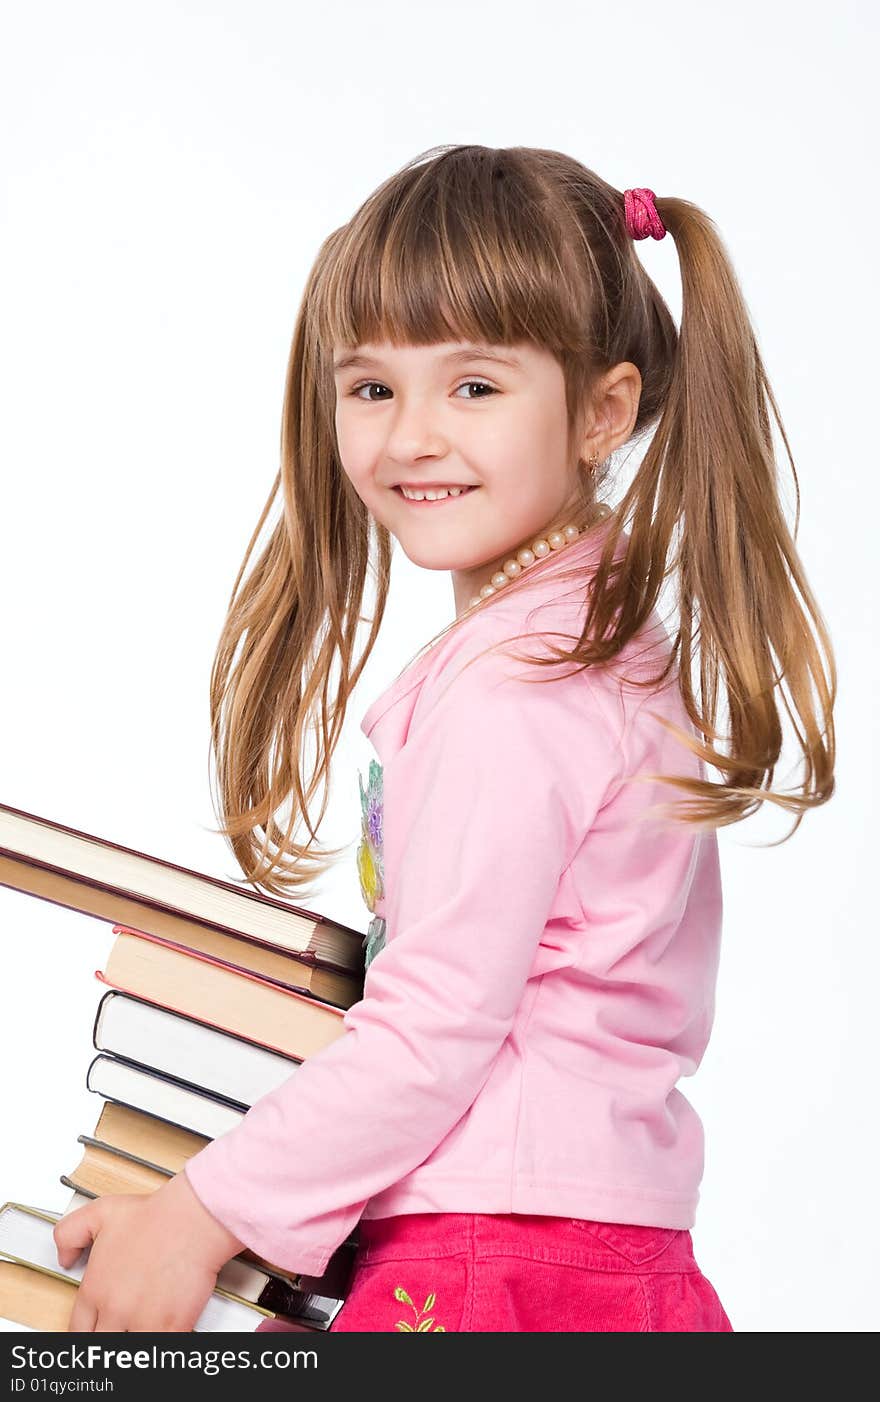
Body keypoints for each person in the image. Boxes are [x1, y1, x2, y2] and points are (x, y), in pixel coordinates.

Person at [53, 144, 836, 1333]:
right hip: (603, 1250)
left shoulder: (514, 688)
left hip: (485, 1260)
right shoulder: (604, 640)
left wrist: (195, 1216)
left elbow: (433, 1028)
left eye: (473, 387)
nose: (412, 436)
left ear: (602, 410)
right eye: (372, 388)